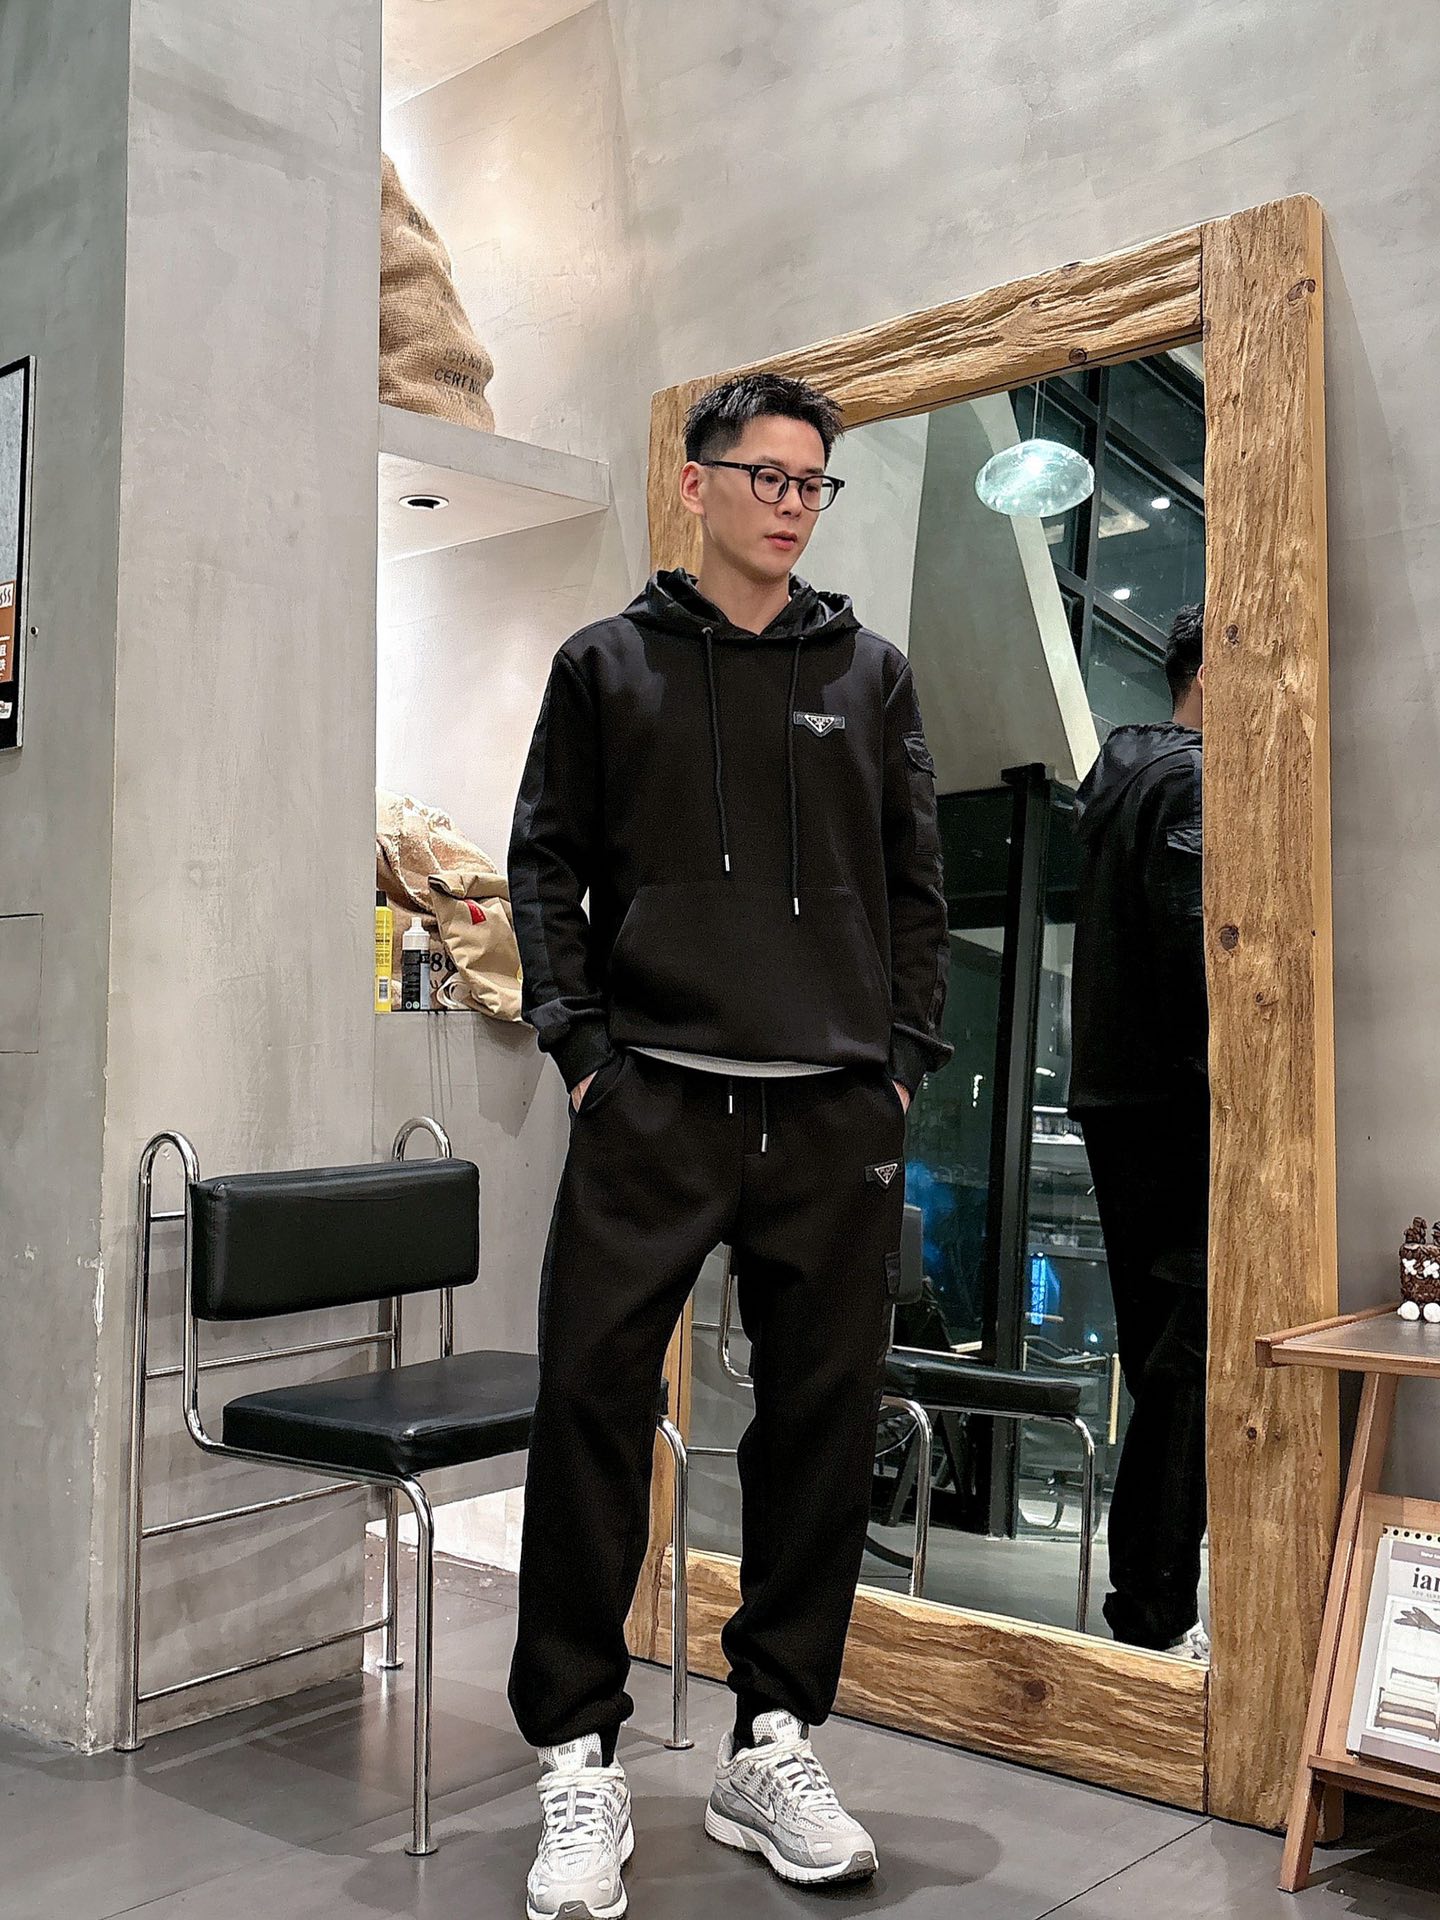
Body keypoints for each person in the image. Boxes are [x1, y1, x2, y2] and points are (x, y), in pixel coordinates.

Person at [506, 370, 953, 1918]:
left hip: (831, 1113)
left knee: (821, 1426)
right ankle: (578, 1756)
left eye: (812, 481)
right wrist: (580, 1054)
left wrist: (900, 1067)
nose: (790, 502)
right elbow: (545, 868)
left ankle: (774, 1742)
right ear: (695, 485)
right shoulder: (605, 665)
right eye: (765, 474)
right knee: (589, 1408)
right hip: (651, 1106)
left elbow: (916, 885)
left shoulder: (872, 674)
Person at [1067, 603, 1209, 1660]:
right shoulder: (1193, 781)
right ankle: (1156, 1614)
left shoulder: (1121, 778)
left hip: (1122, 1101)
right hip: (1181, 1104)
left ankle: (1150, 1610)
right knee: (1189, 1361)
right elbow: (1194, 955)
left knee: (1165, 1356)